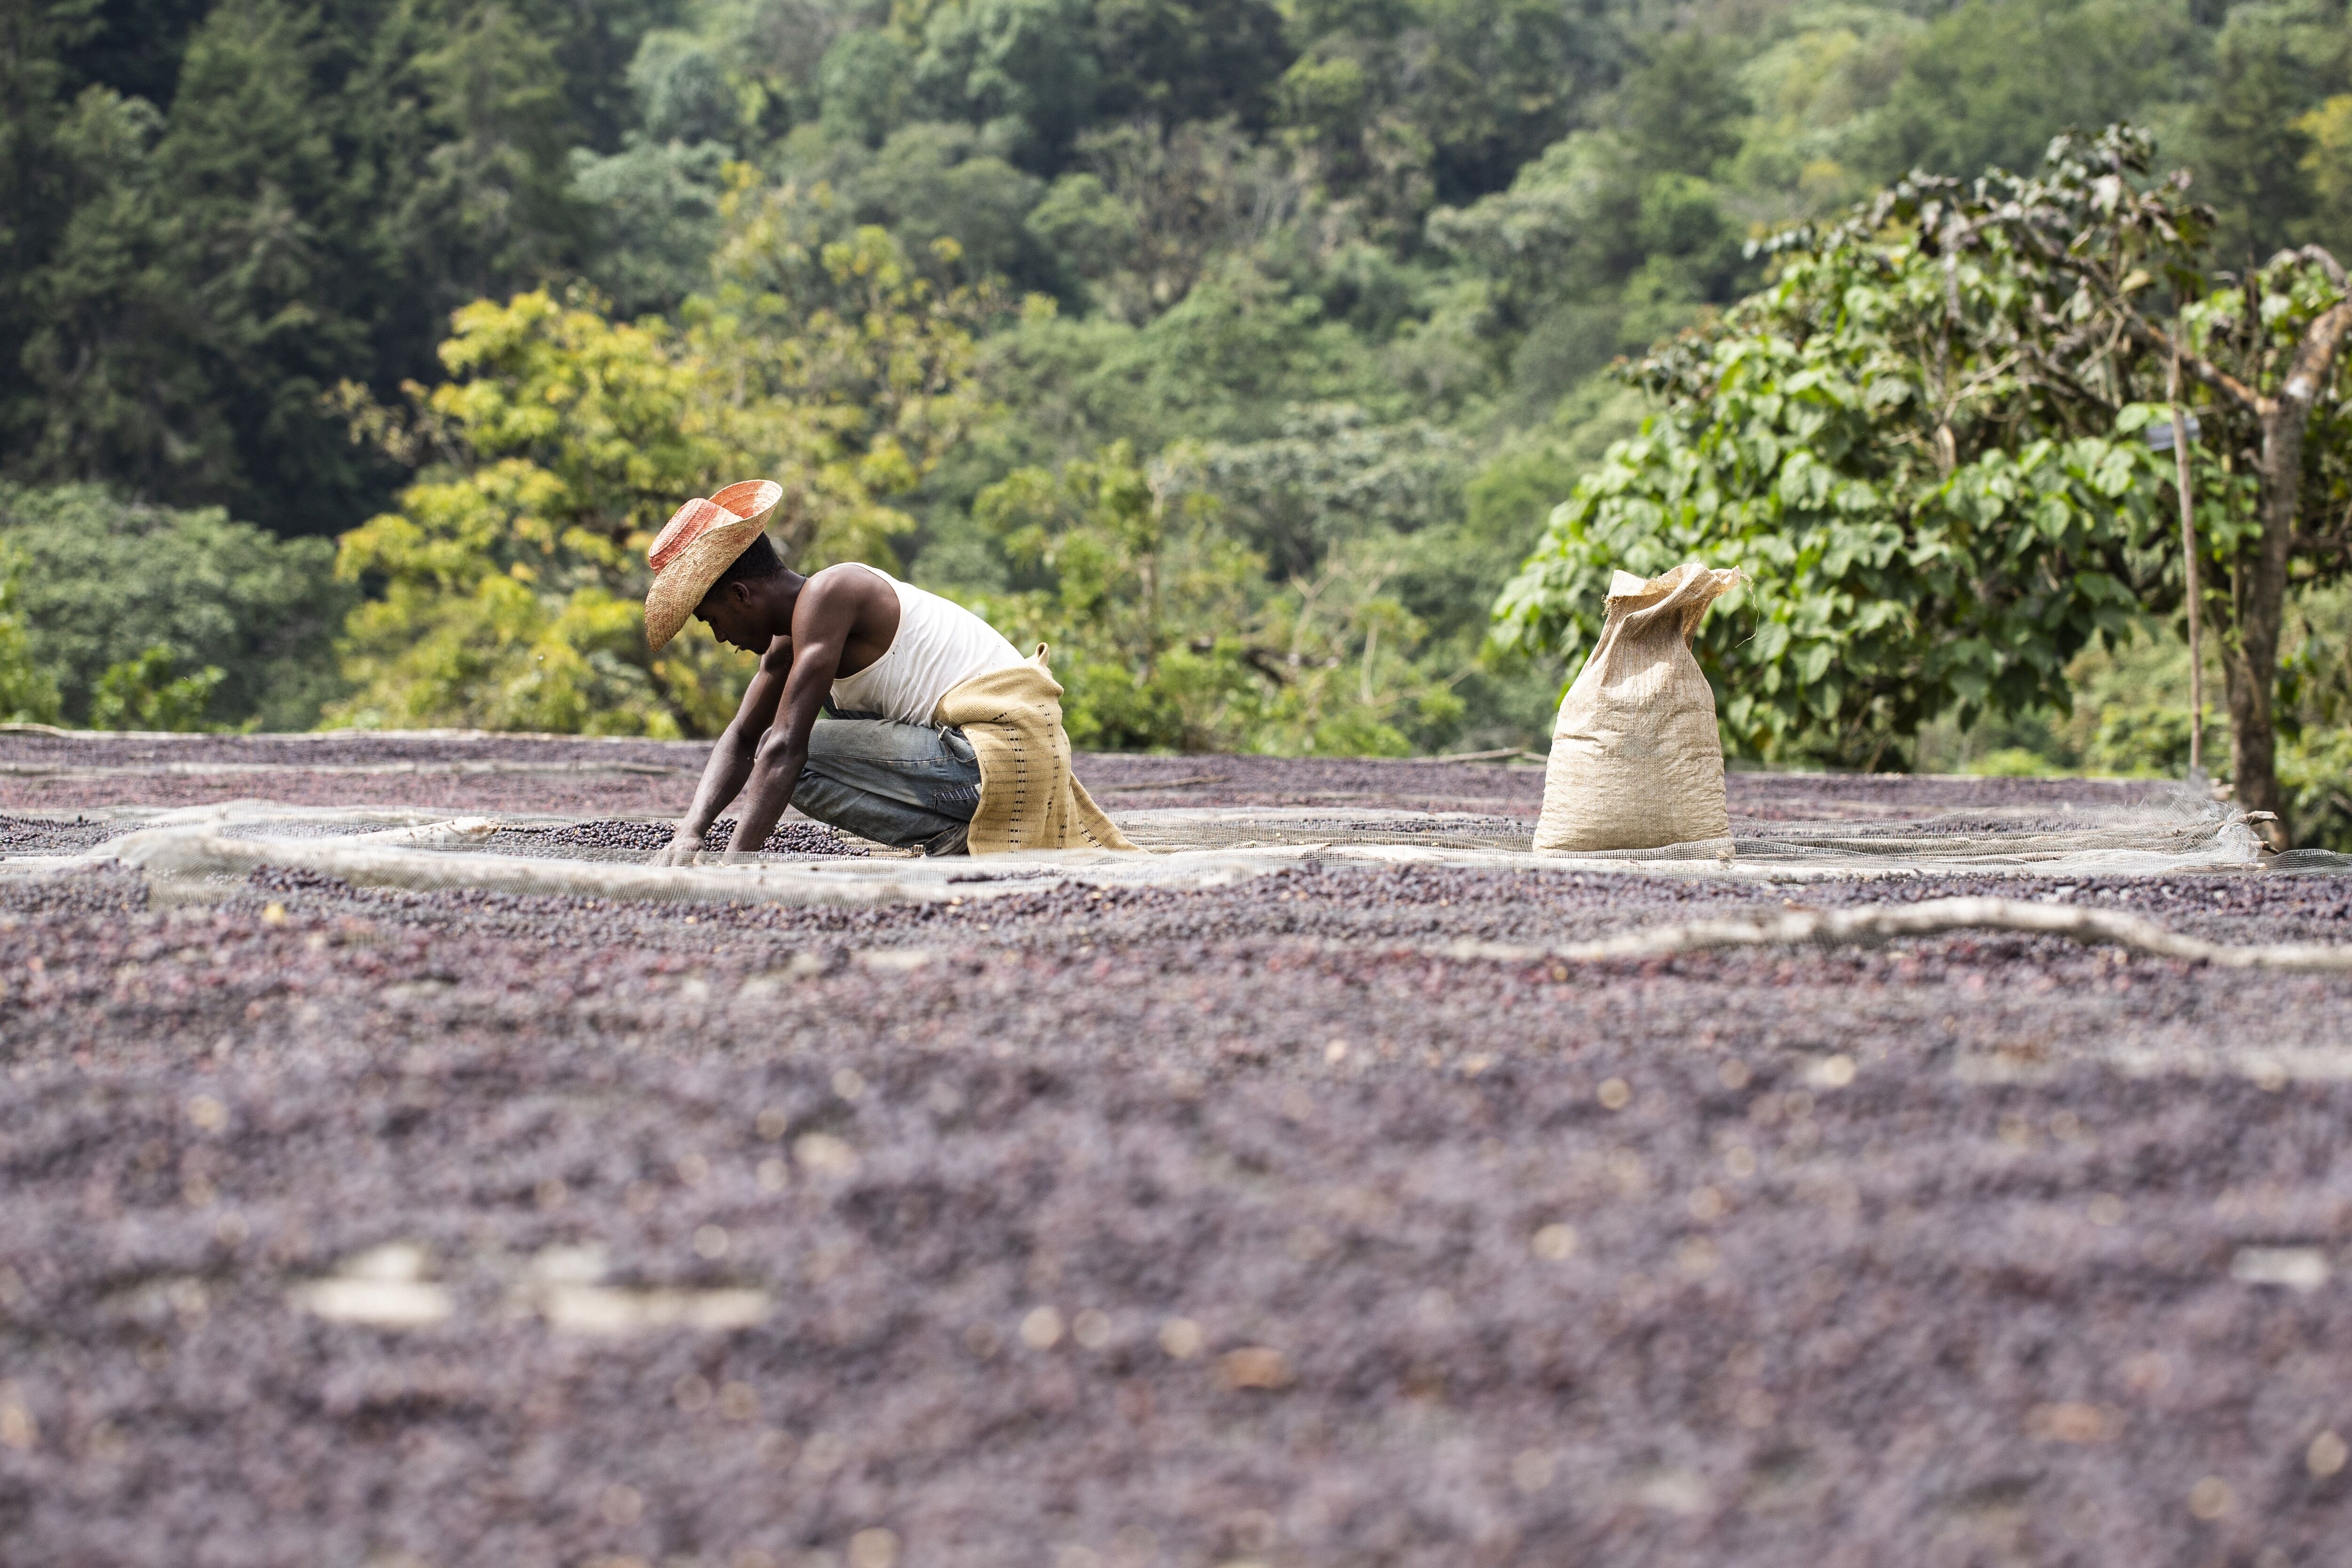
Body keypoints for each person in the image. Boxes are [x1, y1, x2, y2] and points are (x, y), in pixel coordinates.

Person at [641, 481, 1134, 861]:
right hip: (990, 766)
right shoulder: (794, 639)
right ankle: (960, 841)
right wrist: (690, 830)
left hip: (1000, 755)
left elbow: (781, 747)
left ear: (740, 596)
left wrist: (735, 867)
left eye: (712, 621)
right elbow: (742, 737)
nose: (721, 638)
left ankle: (962, 839)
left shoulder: (831, 594)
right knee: (790, 760)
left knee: (798, 757)